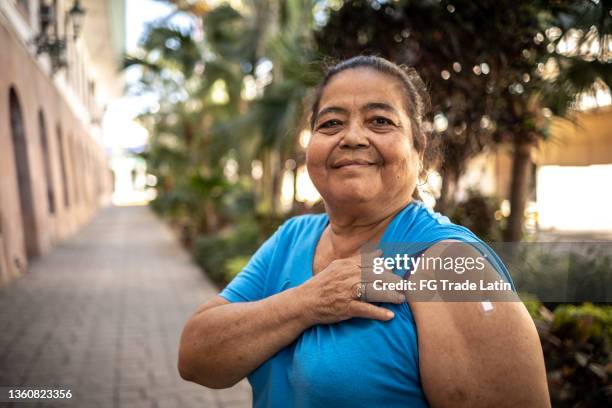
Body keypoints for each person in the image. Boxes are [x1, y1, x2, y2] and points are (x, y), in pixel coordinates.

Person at [178, 56, 550, 407]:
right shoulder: (293, 237)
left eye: (380, 121)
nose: (352, 137)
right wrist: (307, 302)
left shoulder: (449, 266)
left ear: (420, 151)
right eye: (330, 123)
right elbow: (195, 357)